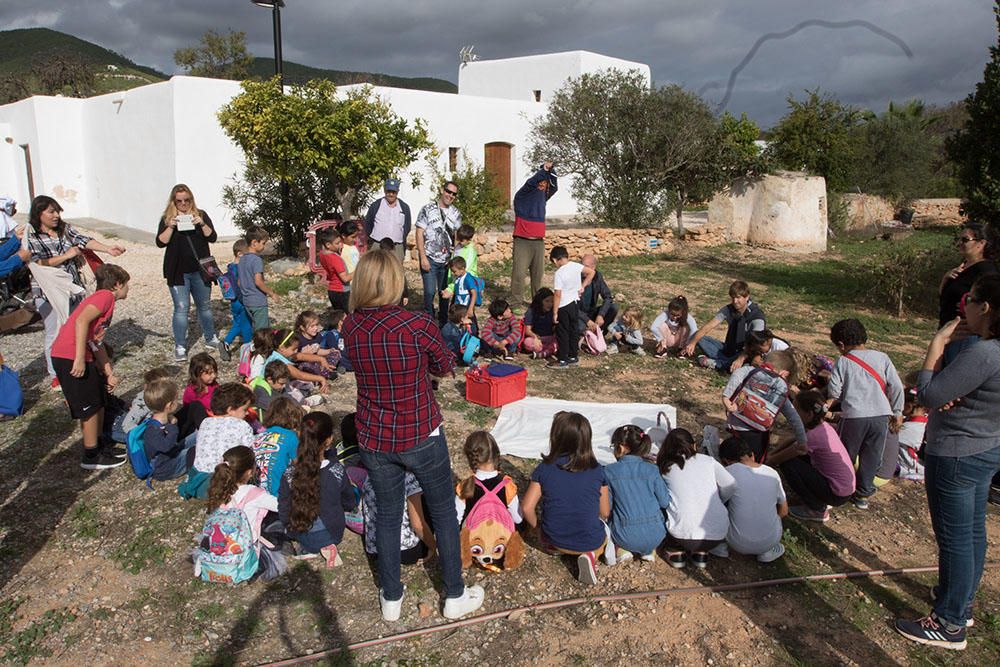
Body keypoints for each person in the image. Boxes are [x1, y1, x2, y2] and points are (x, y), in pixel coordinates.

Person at [342, 249, 483, 622]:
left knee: (387, 516)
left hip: (374, 436)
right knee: (442, 512)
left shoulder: (350, 327)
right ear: (394, 282)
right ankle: (454, 594)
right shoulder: (416, 324)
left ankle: (391, 597)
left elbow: (356, 365)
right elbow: (445, 364)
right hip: (420, 430)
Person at [893, 275, 1000, 650]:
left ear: (984, 307)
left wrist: (936, 345)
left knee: (954, 539)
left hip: (956, 452)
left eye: (969, 298)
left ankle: (950, 623)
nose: (964, 305)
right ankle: (961, 602)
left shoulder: (985, 353)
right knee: (972, 532)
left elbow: (929, 395)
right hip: (987, 447)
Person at [28, 195, 126, 387]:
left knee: (77, 328)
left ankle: (80, 361)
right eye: (51, 212)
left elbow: (84, 241)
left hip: (72, 288)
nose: (56, 215)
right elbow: (37, 262)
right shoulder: (32, 235)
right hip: (47, 290)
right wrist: (67, 256)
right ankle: (56, 374)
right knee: (54, 331)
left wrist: (107, 249)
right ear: (39, 214)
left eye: (57, 211)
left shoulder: (64, 229)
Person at [50, 263, 131, 469]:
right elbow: (81, 322)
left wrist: (109, 372)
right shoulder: (104, 297)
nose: (128, 289)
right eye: (127, 285)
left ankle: (101, 443)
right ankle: (91, 456)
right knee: (89, 408)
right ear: (117, 284)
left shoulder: (106, 302)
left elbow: (96, 342)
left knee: (99, 401)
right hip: (69, 355)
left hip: (82, 355)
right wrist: (78, 358)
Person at [521, 411, 610, 585]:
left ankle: (557, 548)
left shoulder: (544, 469)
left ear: (555, 437)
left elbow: (526, 508)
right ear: (587, 440)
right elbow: (604, 512)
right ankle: (592, 554)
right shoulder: (598, 470)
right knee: (605, 532)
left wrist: (538, 529)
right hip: (589, 540)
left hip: (553, 538)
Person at [826, 318, 904, 509]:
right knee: (872, 455)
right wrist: (898, 411)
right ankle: (862, 495)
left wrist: (829, 401)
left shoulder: (843, 361)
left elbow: (835, 390)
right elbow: (896, 386)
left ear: (842, 344)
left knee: (845, 453)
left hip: (854, 416)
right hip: (881, 417)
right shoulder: (882, 357)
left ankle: (840, 487)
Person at [279, 411, 357, 566]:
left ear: (300, 437)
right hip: (333, 533)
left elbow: (283, 506)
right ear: (329, 440)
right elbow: (349, 501)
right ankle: (325, 546)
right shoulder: (336, 470)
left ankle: (307, 548)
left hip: (299, 533)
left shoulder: (289, 473)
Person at [767, 390, 856, 522]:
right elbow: (793, 440)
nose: (793, 415)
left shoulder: (812, 437)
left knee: (789, 464)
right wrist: (771, 453)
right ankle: (816, 498)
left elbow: (780, 458)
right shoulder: (824, 427)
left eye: (796, 411)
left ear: (808, 414)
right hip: (844, 488)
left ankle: (817, 508)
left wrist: (766, 461)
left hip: (837, 493)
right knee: (797, 459)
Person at [200, 445, 286, 582]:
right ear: (248, 473)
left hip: (220, 547)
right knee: (277, 524)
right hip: (246, 555)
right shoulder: (254, 494)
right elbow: (283, 507)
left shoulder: (218, 491)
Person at [155, 184, 220, 363]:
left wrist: (201, 223)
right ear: (173, 201)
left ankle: (210, 336)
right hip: (177, 271)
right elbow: (160, 242)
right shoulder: (167, 218)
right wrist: (170, 226)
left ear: (191, 199)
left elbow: (212, 237)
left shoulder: (201, 215)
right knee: (181, 308)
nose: (183, 204)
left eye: (186, 200)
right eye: (179, 201)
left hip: (200, 270)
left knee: (204, 305)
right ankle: (181, 345)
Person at [657, 428, 736, 569]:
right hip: (717, 535)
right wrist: (719, 500)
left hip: (681, 535)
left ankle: (675, 549)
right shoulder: (709, 461)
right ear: (693, 445)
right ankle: (700, 553)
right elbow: (730, 485)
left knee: (665, 503)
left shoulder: (666, 467)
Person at [722, 349, 807, 462]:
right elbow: (794, 418)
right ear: (784, 374)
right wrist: (802, 441)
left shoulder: (750, 371)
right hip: (758, 431)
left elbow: (738, 373)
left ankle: (730, 462)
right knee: (756, 458)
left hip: (735, 423)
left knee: (736, 450)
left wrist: (726, 397)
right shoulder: (780, 392)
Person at [603, 424, 670, 563]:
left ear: (620, 447)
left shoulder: (609, 471)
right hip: (656, 534)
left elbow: (606, 509)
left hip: (625, 534)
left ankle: (621, 549)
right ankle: (649, 550)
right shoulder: (652, 470)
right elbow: (664, 502)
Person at [717, 436, 787, 563]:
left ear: (726, 461)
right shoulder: (772, 473)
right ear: (752, 455)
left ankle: (720, 545)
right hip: (770, 540)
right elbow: (783, 511)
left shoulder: (728, 472)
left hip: (736, 542)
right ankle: (766, 552)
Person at [937, 222, 998, 364]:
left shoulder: (986, 272)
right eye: (960, 239)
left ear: (981, 243)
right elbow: (944, 297)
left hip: (965, 337)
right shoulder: (963, 267)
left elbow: (989, 307)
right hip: (948, 332)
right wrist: (945, 278)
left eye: (965, 240)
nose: (960, 243)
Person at [188, 383, 256, 499]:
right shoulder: (242, 425)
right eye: (245, 409)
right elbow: (250, 453)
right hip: (226, 484)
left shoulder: (205, 422)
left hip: (201, 485)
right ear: (230, 410)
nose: (247, 413)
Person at [684, 280, 766, 372]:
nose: (735, 301)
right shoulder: (729, 309)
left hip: (746, 352)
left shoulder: (756, 317)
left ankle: (718, 363)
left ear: (747, 297)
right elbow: (708, 327)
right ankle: (725, 363)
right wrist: (692, 343)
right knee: (698, 337)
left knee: (746, 365)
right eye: (733, 298)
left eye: (738, 298)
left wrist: (740, 358)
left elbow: (756, 344)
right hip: (730, 347)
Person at [415, 182, 462, 326]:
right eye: (448, 191)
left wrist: (455, 260)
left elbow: (458, 237)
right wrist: (423, 257)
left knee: (444, 294)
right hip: (429, 257)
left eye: (454, 194)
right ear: (442, 190)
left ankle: (443, 322)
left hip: (447, 261)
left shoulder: (456, 213)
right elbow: (419, 233)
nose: (450, 195)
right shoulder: (427, 209)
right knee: (429, 292)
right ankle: (428, 321)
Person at [511, 162, 557, 304]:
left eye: (545, 184)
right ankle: (516, 302)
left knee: (537, 277)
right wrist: (544, 170)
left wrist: (551, 171)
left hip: (538, 241)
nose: (543, 186)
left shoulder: (543, 197)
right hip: (522, 240)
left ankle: (536, 304)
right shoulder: (522, 196)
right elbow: (531, 182)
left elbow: (554, 187)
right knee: (519, 275)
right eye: (541, 183)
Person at [455, 431, 522, 526]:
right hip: (500, 538)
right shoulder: (507, 485)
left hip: (474, 538)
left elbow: (455, 520)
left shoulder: (464, 487)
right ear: (497, 455)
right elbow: (518, 519)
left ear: (470, 458)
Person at [547, 246, 595, 369]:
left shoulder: (559, 273)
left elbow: (558, 294)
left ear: (554, 260)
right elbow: (591, 272)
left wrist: (555, 312)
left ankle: (562, 359)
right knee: (573, 330)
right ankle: (573, 356)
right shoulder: (575, 266)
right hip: (574, 303)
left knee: (562, 332)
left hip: (563, 305)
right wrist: (583, 286)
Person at [141, 378, 197, 481]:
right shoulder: (153, 430)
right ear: (169, 405)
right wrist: (172, 426)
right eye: (176, 400)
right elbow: (166, 446)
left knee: (199, 435)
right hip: (166, 469)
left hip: (172, 454)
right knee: (197, 450)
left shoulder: (156, 421)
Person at [253, 396, 304, 496]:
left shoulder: (258, 437)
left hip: (258, 492)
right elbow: (300, 464)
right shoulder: (290, 436)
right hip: (279, 493)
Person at [238, 226, 278, 332]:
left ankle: (255, 344)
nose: (264, 246)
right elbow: (258, 282)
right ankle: (261, 348)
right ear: (255, 242)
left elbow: (239, 282)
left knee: (255, 328)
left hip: (246, 300)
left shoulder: (241, 260)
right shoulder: (256, 260)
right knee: (262, 332)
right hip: (258, 301)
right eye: (263, 243)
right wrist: (271, 293)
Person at [364, 178, 412, 265]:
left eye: (393, 192)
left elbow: (407, 226)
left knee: (396, 272)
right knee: (375, 270)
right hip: (377, 244)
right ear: (384, 190)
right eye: (388, 191)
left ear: (397, 192)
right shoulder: (376, 206)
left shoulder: (404, 207)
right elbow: (368, 224)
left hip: (396, 247)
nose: (391, 194)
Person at [118, 367, 171, 441]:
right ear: (146, 387)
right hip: (129, 429)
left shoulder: (160, 397)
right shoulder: (143, 404)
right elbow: (127, 425)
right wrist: (145, 435)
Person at [222, 239, 253, 359]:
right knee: (246, 325)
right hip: (241, 301)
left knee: (237, 323)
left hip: (233, 301)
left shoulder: (230, 268)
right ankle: (248, 349)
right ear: (240, 254)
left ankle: (226, 342)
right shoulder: (240, 269)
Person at [578, 254, 617, 336]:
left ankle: (600, 333)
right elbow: (570, 305)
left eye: (586, 266)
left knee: (613, 308)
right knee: (580, 326)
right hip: (578, 314)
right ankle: (587, 334)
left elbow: (608, 297)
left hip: (591, 312)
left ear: (593, 267)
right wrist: (587, 320)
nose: (583, 269)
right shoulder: (575, 277)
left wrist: (601, 315)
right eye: (581, 265)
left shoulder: (597, 277)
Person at [441, 256, 479, 334]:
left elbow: (474, 293)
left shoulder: (468, 279)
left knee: (471, 325)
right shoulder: (457, 279)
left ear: (462, 269)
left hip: (466, 308)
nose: (452, 273)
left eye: (454, 271)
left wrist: (471, 308)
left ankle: (473, 339)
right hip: (458, 307)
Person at [317, 228, 351, 312]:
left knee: (338, 316)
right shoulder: (335, 259)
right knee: (348, 315)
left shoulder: (322, 254)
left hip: (332, 290)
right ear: (328, 244)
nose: (341, 245)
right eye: (337, 243)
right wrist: (359, 270)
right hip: (342, 290)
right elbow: (345, 278)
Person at [521, 287, 557, 359]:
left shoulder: (553, 312)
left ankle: (545, 352)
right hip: (537, 338)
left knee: (560, 341)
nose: (550, 304)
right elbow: (527, 330)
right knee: (527, 342)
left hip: (550, 337)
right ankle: (549, 350)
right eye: (547, 301)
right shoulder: (531, 312)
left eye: (552, 302)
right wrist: (535, 337)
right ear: (540, 301)